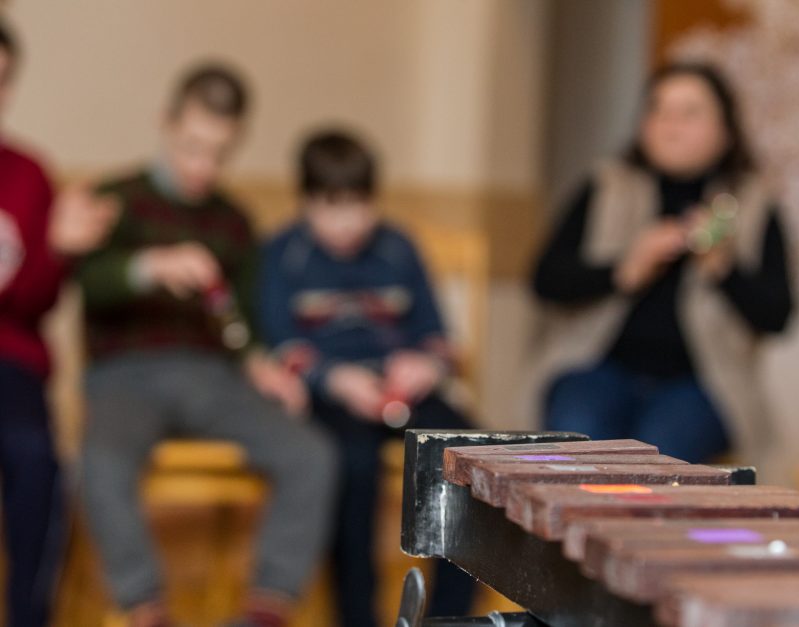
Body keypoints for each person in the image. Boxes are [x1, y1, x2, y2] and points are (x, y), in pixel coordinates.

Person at [76, 64, 338, 627]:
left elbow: (242, 324)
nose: (204, 167)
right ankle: (146, 610)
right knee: (99, 463)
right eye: (193, 147)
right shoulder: (114, 198)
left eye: (220, 154)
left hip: (216, 379)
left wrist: (262, 366)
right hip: (125, 376)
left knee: (312, 454)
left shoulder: (234, 221)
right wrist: (148, 267)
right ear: (165, 124)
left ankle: (265, 610)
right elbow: (88, 284)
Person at [260, 129, 476, 627]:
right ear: (306, 203)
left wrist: (425, 364)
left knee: (465, 452)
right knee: (348, 467)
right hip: (332, 397)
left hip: (404, 391)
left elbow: (440, 339)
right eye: (332, 207)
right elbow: (279, 346)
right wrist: (334, 379)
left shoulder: (399, 249)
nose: (348, 223)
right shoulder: (282, 255)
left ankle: (449, 617)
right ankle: (357, 615)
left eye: (359, 206)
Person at [530, 62, 795, 465]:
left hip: (705, 382)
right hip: (597, 365)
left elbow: (778, 315)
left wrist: (723, 269)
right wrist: (623, 270)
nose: (671, 126)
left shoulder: (753, 203)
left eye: (690, 113)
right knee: (578, 435)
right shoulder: (606, 187)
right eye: (659, 110)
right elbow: (544, 280)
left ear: (725, 130)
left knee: (657, 457)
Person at [0, 18, 117, 627]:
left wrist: (60, 252)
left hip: (11, 360)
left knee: (37, 457)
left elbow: (36, 302)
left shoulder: (28, 174)